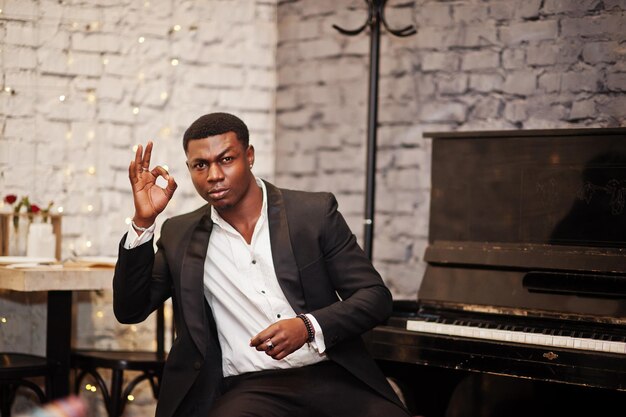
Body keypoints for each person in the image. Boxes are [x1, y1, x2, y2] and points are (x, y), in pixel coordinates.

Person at [113, 112, 410, 417]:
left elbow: (375, 297)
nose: (214, 175)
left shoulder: (312, 214)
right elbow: (129, 310)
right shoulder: (181, 234)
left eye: (226, 159)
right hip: (250, 388)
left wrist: (308, 326)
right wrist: (143, 222)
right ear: (189, 169)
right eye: (201, 165)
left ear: (249, 156)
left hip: (332, 374)